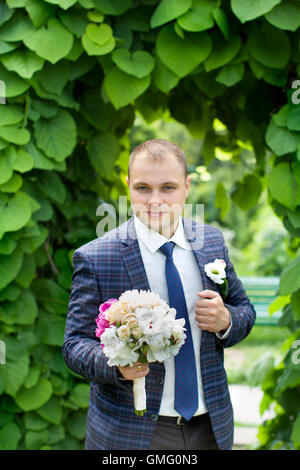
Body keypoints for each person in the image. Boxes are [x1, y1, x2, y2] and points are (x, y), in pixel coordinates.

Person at [62, 139, 256, 450]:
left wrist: (226, 319)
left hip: (211, 426)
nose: (155, 200)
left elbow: (244, 309)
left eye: (168, 188)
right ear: (128, 186)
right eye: (142, 188)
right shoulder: (97, 257)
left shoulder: (211, 243)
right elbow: (74, 345)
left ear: (186, 187)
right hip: (132, 433)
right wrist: (116, 364)